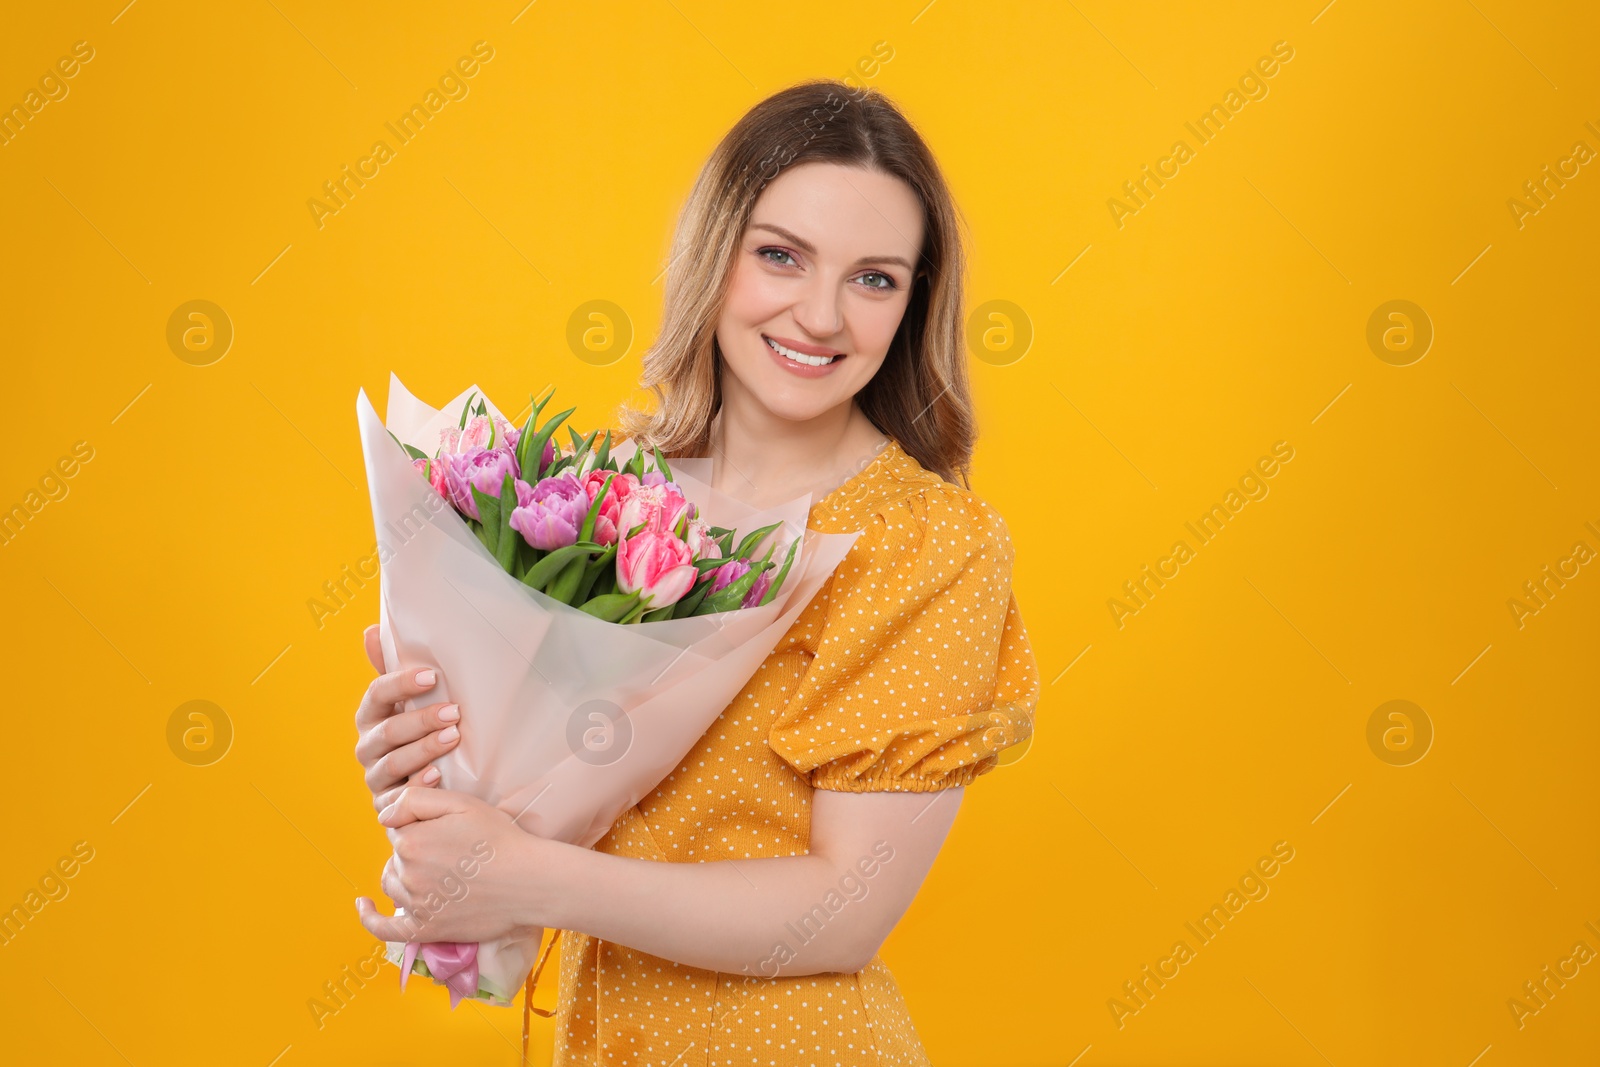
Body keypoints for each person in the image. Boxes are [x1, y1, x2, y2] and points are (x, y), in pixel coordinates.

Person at [352, 78, 1040, 1066]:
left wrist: (524, 873)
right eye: (780, 255)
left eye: (874, 278)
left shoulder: (926, 543)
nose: (821, 314)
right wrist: (434, 778)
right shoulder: (599, 501)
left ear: (912, 305)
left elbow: (844, 907)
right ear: (714, 254)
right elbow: (541, 825)